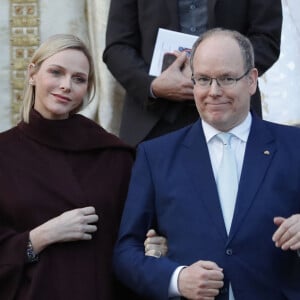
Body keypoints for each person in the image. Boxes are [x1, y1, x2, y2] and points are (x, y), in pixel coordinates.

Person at [113, 28, 300, 300]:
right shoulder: (156, 156)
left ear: (251, 80)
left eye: (226, 78)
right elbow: (125, 252)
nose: (214, 92)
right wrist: (177, 279)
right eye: (202, 79)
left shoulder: (294, 146)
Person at [0, 33, 167, 300]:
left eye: (79, 79)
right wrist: (40, 237)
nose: (66, 85)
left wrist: (154, 246)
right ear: (32, 73)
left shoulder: (115, 155)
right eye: (56, 72)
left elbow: (136, 240)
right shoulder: (4, 153)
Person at [103, 0, 282, 146]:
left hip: (232, 114)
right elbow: (117, 47)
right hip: (154, 121)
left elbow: (266, 39)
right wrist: (153, 85)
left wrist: (223, 76)